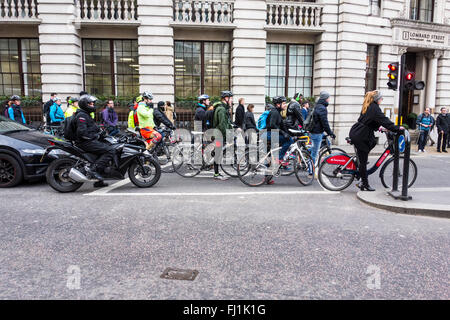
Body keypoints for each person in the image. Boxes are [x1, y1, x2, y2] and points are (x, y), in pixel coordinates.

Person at [349, 91, 402, 191]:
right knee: (364, 161)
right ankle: (364, 184)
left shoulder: (368, 105)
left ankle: (360, 165)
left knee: (371, 144)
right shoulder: (375, 108)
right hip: (362, 135)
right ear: (377, 99)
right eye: (381, 98)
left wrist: (380, 128)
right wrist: (397, 128)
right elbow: (384, 120)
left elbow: (370, 121)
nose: (382, 100)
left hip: (358, 132)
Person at [74, 95, 115, 188]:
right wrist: (95, 136)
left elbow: (92, 128)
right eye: (91, 103)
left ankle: (98, 181)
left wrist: (101, 131)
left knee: (105, 149)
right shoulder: (82, 116)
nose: (93, 105)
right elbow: (82, 133)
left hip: (88, 140)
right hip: (85, 142)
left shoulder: (86, 114)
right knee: (110, 150)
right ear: (85, 104)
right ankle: (93, 170)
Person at [211, 91, 234, 181]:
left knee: (218, 152)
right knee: (218, 154)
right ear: (226, 98)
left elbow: (226, 123)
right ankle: (216, 174)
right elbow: (222, 125)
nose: (232, 100)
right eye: (231, 98)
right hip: (219, 134)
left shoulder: (223, 108)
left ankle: (212, 153)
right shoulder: (221, 109)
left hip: (219, 133)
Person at [310, 91, 335, 165]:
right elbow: (325, 123)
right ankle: (311, 171)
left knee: (327, 143)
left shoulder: (317, 106)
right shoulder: (322, 108)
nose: (329, 99)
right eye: (328, 98)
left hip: (317, 131)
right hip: (317, 132)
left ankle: (307, 151)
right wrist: (330, 133)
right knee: (314, 153)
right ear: (326, 99)